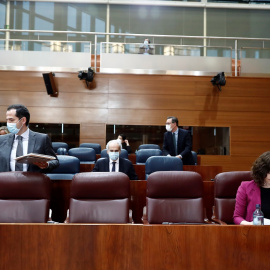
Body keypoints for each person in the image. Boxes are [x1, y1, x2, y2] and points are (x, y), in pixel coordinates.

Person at [0, 104, 59, 173]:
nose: (8, 123)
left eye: (11, 120)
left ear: (23, 120)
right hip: (7, 181)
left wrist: (46, 165)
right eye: (7, 120)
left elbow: (55, 161)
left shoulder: (42, 139)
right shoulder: (1, 139)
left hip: (32, 181)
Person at [234, 151, 270, 225]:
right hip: (255, 232)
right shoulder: (246, 187)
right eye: (268, 172)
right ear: (261, 171)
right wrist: (250, 224)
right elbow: (237, 217)